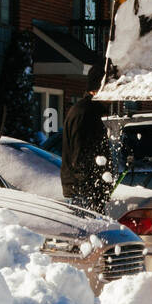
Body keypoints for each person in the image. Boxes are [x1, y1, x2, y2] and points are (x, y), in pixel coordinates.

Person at [61, 65, 112, 212]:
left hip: (85, 191)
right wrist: (93, 190)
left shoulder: (88, 110)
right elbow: (80, 156)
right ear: (100, 88)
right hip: (83, 193)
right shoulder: (86, 114)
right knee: (86, 234)